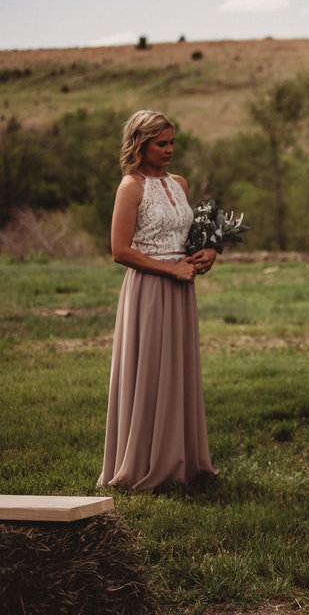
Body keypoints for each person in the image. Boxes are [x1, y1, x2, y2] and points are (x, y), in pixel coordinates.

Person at [98, 110, 219, 490]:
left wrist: (208, 252)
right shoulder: (130, 187)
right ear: (140, 144)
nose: (169, 150)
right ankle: (145, 463)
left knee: (177, 371)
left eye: (172, 143)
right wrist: (170, 271)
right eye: (161, 143)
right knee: (149, 370)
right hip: (149, 290)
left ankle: (181, 461)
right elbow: (119, 251)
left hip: (182, 289)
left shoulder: (179, 184)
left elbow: (185, 236)